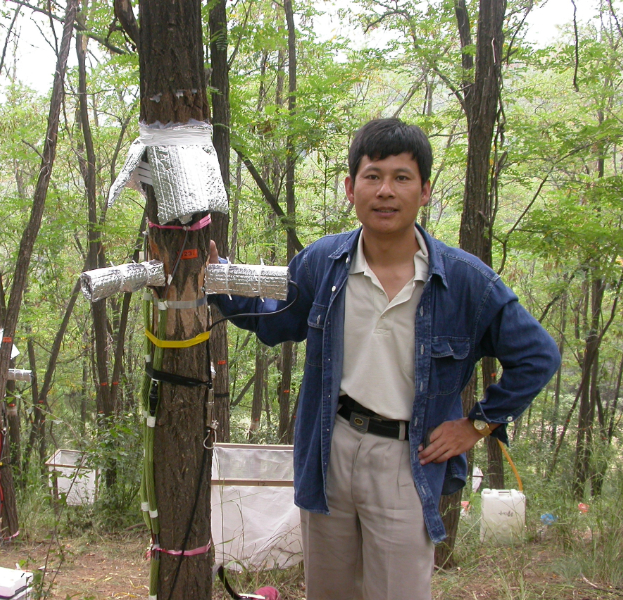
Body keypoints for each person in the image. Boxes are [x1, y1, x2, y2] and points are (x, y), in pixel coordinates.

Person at [208, 118, 560, 600]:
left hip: (406, 457)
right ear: (351, 188)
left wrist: (476, 425)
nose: (386, 191)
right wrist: (219, 279)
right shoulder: (324, 262)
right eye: (373, 176)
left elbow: (538, 356)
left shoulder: (464, 281)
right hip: (331, 448)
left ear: (425, 191)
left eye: (401, 177)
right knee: (329, 592)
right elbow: (275, 317)